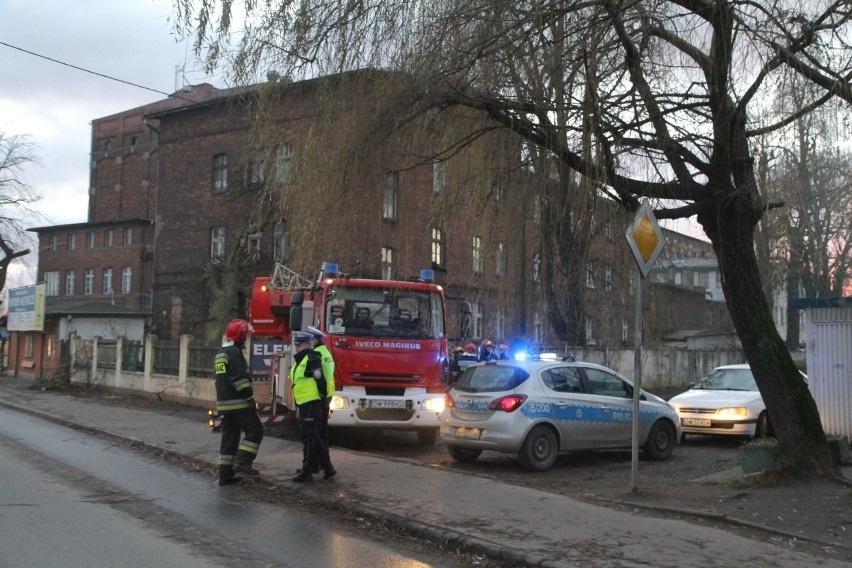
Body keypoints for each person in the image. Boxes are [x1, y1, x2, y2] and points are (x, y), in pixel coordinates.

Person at [214, 319, 264, 486]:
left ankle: (225, 475)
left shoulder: (221, 352)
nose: (246, 338)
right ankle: (243, 463)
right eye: (245, 335)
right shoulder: (235, 353)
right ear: (240, 336)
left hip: (224, 403)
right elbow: (239, 380)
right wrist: (250, 398)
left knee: (230, 438)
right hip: (239, 402)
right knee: (256, 430)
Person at [290, 331, 336, 482]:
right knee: (313, 436)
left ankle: (307, 471)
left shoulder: (312, 358)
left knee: (309, 437)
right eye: (296, 345)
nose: (296, 348)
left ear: (306, 344)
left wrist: (322, 398)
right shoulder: (302, 359)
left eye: (298, 345)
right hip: (304, 402)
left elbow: (320, 379)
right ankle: (327, 467)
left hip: (311, 402)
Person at [308, 325, 335, 449]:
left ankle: (320, 462)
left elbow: (319, 376)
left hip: (320, 395)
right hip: (327, 394)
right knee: (323, 430)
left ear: (314, 340)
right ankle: (325, 461)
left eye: (310, 340)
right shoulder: (326, 352)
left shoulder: (317, 354)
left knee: (317, 431)